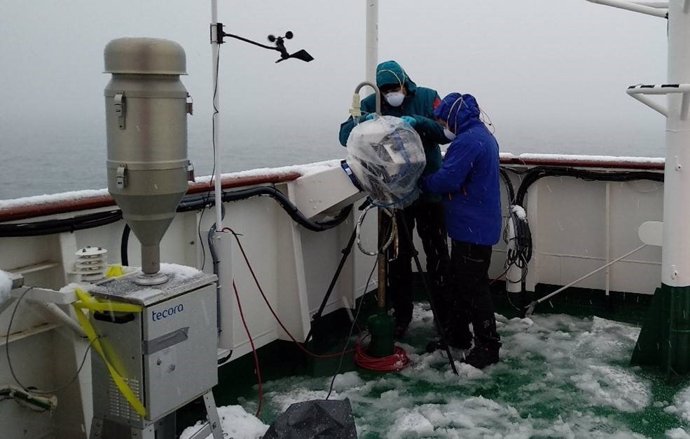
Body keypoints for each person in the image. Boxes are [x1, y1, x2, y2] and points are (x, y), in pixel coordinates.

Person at [339, 60, 450, 339]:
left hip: (428, 191)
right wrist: (362, 121)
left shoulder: (427, 97)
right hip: (394, 197)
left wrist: (419, 123)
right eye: (385, 90)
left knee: (437, 253)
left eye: (394, 88)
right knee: (396, 258)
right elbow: (344, 136)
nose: (391, 94)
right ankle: (402, 316)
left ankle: (445, 314)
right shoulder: (370, 102)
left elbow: (444, 133)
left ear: (405, 83)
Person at [420, 92, 502, 369]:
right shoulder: (482, 136)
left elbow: (447, 179)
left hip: (472, 228)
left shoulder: (467, 142)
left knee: (474, 288)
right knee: (462, 284)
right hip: (476, 224)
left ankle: (488, 346)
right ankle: (457, 336)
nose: (444, 125)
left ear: (455, 117)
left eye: (444, 120)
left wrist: (422, 182)